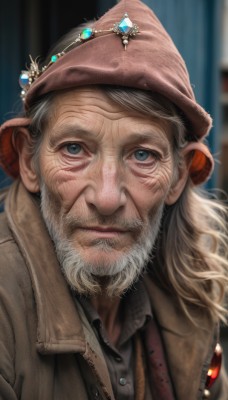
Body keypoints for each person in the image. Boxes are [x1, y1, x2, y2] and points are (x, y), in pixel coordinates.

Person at [0, 0, 228, 399]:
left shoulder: (190, 301)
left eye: (143, 155)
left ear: (177, 176)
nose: (106, 198)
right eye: (74, 149)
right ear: (28, 162)